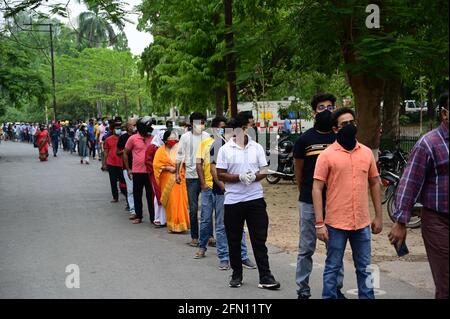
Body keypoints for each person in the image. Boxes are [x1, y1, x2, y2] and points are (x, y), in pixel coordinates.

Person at [312, 107, 383, 299]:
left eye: (352, 122)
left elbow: (375, 183)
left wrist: (378, 216)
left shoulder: (367, 153)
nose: (350, 127)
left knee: (365, 268)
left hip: (362, 223)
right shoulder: (326, 155)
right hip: (336, 223)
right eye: (345, 124)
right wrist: (320, 223)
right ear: (336, 129)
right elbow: (317, 188)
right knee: (332, 267)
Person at [389, 92, 449, 299]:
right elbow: (410, 183)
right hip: (439, 222)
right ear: (444, 113)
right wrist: (400, 221)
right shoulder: (429, 143)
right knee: (447, 283)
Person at [216, 113, 280, 290]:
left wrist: (253, 177)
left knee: (259, 239)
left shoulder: (257, 147)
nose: (253, 128)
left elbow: (264, 171)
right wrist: (239, 177)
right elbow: (220, 174)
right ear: (241, 128)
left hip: (255, 199)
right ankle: (237, 274)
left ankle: (265, 276)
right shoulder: (225, 149)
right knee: (234, 239)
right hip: (233, 201)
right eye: (251, 125)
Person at [293, 93, 345, 299]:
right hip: (308, 202)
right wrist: (305, 190)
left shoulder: (340, 139)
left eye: (330, 107)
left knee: (335, 248)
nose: (327, 111)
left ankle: (335, 289)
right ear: (314, 112)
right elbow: (299, 170)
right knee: (306, 248)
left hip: (334, 202)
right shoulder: (304, 139)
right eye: (322, 107)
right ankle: (303, 290)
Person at [207, 118, 257, 271]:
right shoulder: (217, 146)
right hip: (223, 192)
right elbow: (214, 171)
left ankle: (243, 256)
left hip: (241, 193)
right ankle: (224, 257)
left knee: (239, 226)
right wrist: (225, 188)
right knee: (222, 226)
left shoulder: (244, 145)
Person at [175, 112, 210, 247]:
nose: (200, 125)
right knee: (194, 209)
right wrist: (177, 173)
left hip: (207, 177)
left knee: (208, 208)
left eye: (202, 123)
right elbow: (179, 155)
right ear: (191, 124)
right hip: (191, 177)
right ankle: (195, 237)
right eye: (197, 123)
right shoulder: (184, 137)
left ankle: (209, 236)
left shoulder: (207, 136)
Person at [195, 116, 227, 257]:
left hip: (221, 187)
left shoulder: (227, 144)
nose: (223, 130)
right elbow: (198, 164)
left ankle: (223, 251)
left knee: (221, 221)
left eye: (224, 127)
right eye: (220, 127)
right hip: (208, 186)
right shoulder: (205, 143)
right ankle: (202, 247)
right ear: (214, 128)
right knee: (206, 219)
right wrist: (202, 183)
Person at [153, 130, 190, 233]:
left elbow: (186, 162)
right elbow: (156, 165)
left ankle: (183, 224)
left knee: (182, 202)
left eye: (175, 138)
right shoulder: (160, 151)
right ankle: (174, 225)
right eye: (170, 139)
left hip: (180, 179)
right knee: (172, 202)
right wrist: (168, 168)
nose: (173, 141)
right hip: (167, 180)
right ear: (165, 140)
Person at [124, 116, 154, 224]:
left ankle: (153, 217)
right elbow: (125, 153)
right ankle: (138, 216)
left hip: (150, 172)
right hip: (137, 172)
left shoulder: (153, 138)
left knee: (151, 195)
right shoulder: (133, 139)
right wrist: (128, 169)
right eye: (149, 126)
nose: (151, 128)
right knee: (137, 195)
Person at [145, 130, 167, 227]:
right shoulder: (152, 147)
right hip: (155, 174)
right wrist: (158, 168)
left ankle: (165, 218)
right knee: (158, 195)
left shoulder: (164, 147)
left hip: (165, 175)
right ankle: (158, 218)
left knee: (164, 195)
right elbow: (147, 161)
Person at [117, 118, 138, 219]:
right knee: (130, 190)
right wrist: (126, 150)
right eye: (132, 125)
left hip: (139, 167)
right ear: (128, 126)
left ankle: (138, 209)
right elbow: (118, 152)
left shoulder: (139, 136)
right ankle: (133, 210)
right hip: (127, 167)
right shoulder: (123, 138)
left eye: (135, 125)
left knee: (138, 190)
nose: (134, 127)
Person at [103, 121, 126, 203]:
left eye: (119, 128)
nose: (118, 130)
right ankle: (115, 197)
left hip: (122, 163)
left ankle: (126, 196)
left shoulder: (124, 138)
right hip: (111, 163)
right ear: (113, 130)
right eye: (116, 128)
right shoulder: (108, 139)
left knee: (123, 181)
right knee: (113, 181)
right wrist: (104, 164)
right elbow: (105, 152)